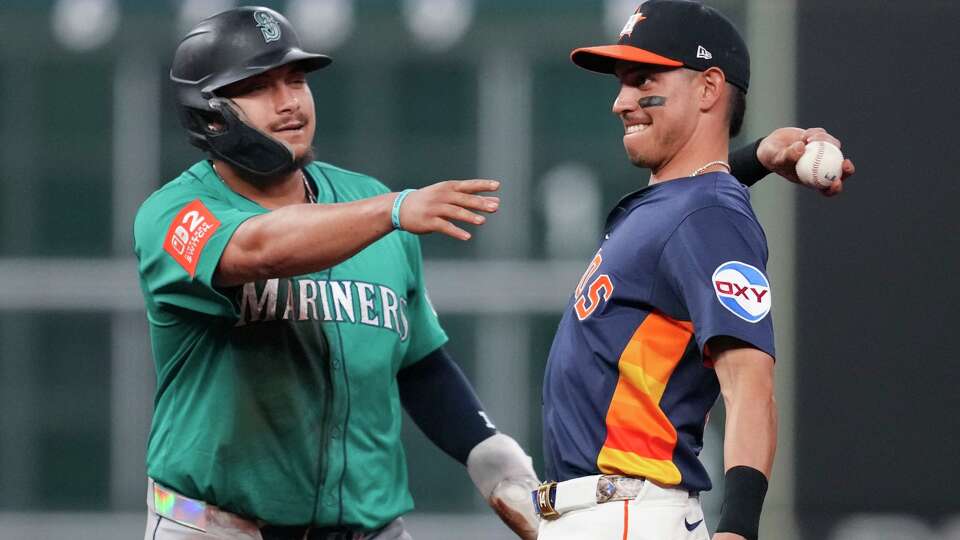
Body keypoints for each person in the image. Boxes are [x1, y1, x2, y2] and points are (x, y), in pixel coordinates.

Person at [134, 7, 539, 540]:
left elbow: (417, 361)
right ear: (210, 115)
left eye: (296, 79)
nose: (289, 102)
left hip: (367, 529)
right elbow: (259, 249)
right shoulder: (174, 214)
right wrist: (394, 210)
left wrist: (488, 453)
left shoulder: (365, 199)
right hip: (216, 526)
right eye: (258, 87)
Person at [534, 1, 855, 540]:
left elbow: (749, 383)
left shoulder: (709, 217)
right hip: (605, 512)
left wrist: (738, 528)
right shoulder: (687, 207)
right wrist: (754, 158)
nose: (621, 102)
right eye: (622, 82)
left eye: (643, 80)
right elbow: (694, 200)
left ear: (708, 88)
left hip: (629, 513)